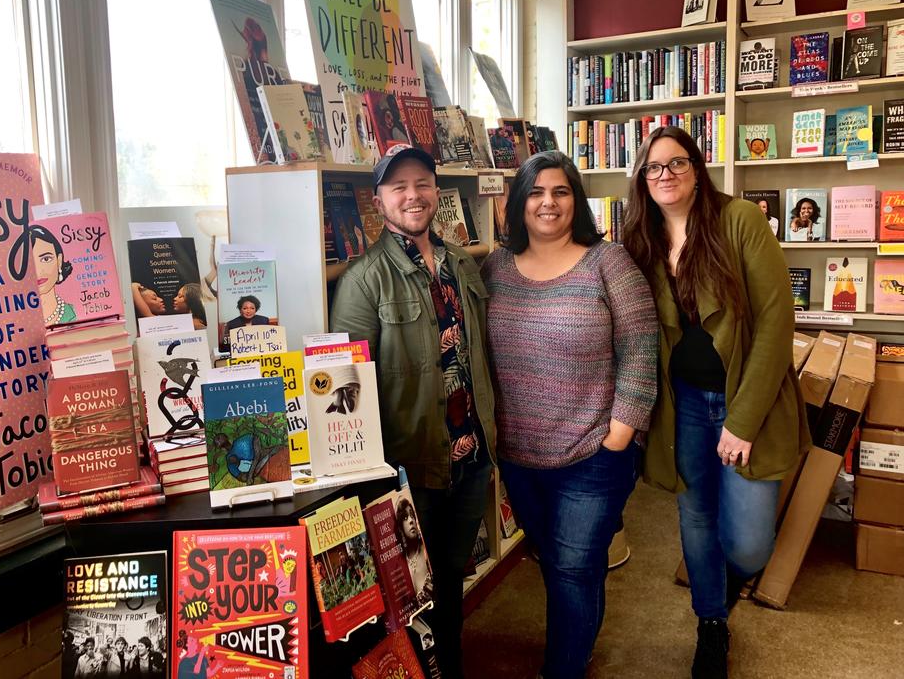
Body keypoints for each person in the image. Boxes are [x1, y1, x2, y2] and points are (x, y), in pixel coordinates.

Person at [621, 126, 810, 679]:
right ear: (642, 179)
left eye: (677, 163)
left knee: (750, 543)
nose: (666, 175)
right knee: (697, 518)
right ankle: (711, 624)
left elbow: (777, 323)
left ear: (698, 169)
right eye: (653, 167)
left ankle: (720, 587)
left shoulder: (739, 222)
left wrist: (743, 420)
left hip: (744, 403)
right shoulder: (641, 238)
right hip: (682, 408)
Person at [481, 150, 658, 679]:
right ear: (518, 203)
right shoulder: (494, 267)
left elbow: (642, 346)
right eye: (535, 192)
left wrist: (621, 432)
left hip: (592, 453)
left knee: (576, 569)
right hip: (519, 456)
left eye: (560, 192)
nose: (548, 203)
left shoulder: (609, 262)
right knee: (556, 566)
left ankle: (562, 670)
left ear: (575, 201)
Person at [330, 143, 496, 679]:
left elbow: (478, 353)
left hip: (469, 455)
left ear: (436, 192)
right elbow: (346, 390)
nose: (412, 195)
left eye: (421, 183)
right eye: (398, 186)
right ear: (378, 200)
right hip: (412, 466)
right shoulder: (362, 280)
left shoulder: (461, 263)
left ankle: (451, 664)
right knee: (408, 585)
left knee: (450, 576)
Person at [29, 225, 77, 325]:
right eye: (29, 262)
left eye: (46, 259)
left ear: (59, 261)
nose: (38, 271)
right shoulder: (18, 323)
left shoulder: (75, 314)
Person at [396, 495, 433, 605]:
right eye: (405, 518)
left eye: (412, 515)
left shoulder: (426, 549)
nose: (411, 520)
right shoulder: (400, 563)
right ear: (400, 527)